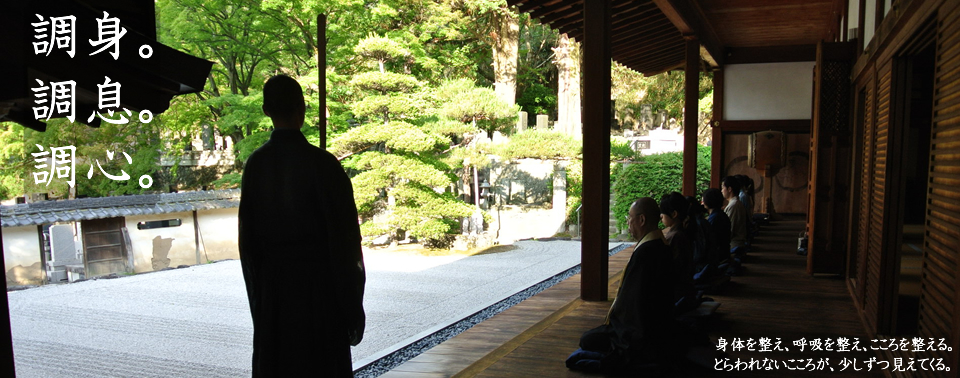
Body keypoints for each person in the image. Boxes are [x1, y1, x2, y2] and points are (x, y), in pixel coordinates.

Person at [238, 75, 365, 377]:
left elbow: (248, 246)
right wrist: (352, 309)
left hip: (274, 298)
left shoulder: (256, 166)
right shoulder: (323, 165)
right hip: (319, 297)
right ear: (303, 109)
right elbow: (347, 244)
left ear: (267, 110)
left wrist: (259, 302)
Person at [566, 198, 675, 374]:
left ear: (641, 220)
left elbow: (634, 307)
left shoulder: (646, 253)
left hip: (640, 332)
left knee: (587, 340)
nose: (628, 222)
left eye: (629, 218)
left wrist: (621, 336)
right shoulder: (658, 245)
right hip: (657, 322)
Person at [722, 176, 748, 253]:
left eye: (722, 188)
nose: (721, 191)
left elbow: (730, 230)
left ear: (729, 189)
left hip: (734, 245)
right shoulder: (734, 203)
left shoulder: (734, 206)